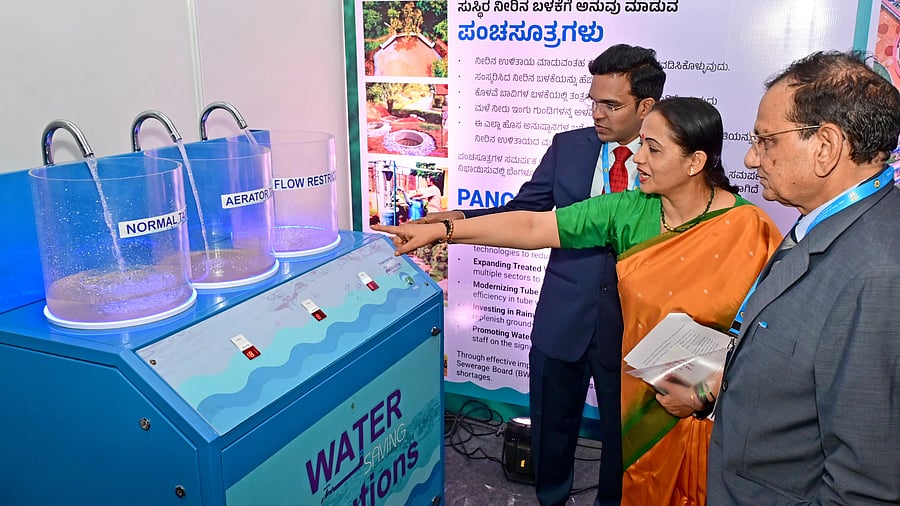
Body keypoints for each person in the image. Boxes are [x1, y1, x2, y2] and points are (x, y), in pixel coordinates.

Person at [375, 97, 783, 505]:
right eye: (642, 143)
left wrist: (704, 393)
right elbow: (533, 225)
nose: (637, 157)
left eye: (653, 149)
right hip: (645, 398)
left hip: (712, 411)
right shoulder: (628, 210)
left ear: (695, 162)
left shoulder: (750, 229)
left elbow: (767, 339)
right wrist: (444, 230)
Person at [414, 43, 665, 505]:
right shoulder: (568, 147)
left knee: (624, 437)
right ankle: (552, 499)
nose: (597, 113)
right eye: (593, 101)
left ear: (645, 106)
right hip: (562, 315)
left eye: (611, 105)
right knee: (551, 427)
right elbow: (524, 213)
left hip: (634, 324)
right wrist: (456, 220)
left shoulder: (671, 157)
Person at [707, 50, 900, 504]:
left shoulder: (877, 275)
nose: (751, 159)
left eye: (766, 140)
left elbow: (863, 488)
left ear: (825, 147)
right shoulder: (830, 220)